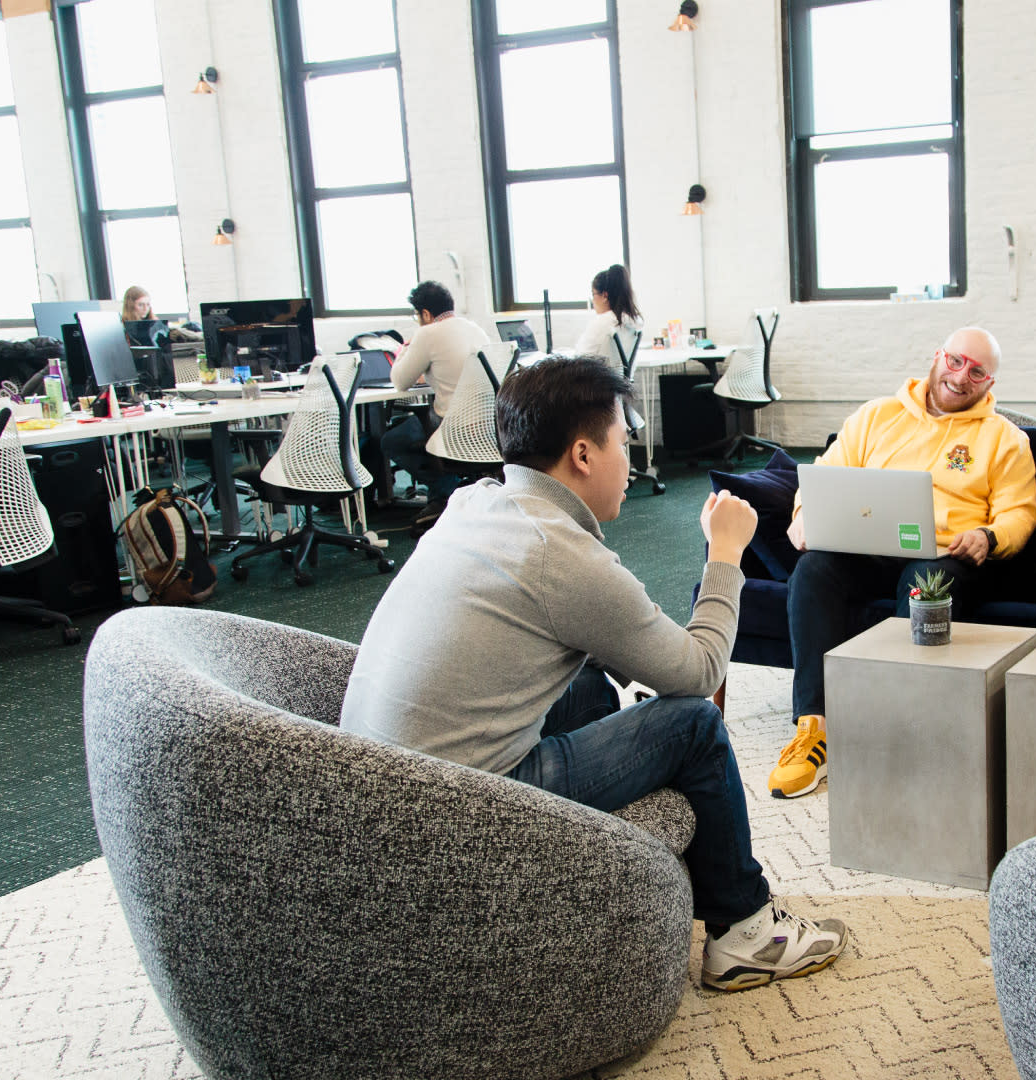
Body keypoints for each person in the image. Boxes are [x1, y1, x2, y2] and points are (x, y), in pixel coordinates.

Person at [340, 356, 848, 992]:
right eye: (625, 438)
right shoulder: (561, 556)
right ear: (583, 453)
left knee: (583, 686)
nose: (630, 459)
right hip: (457, 815)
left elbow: (580, 628)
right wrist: (725, 554)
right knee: (692, 726)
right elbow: (697, 673)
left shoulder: (472, 503)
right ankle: (745, 933)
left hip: (375, 793)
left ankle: (616, 870)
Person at [771, 327, 1036, 799]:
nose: (961, 377)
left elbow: (1021, 512)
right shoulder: (877, 415)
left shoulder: (1005, 440)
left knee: (926, 584)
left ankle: (895, 726)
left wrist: (989, 536)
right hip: (867, 545)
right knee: (812, 571)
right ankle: (815, 728)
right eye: (955, 361)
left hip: (943, 555)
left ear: (989, 384)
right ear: (937, 357)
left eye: (977, 371)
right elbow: (824, 475)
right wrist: (802, 515)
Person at [384, 280, 491, 524]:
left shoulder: (427, 333)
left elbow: (400, 381)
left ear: (425, 313)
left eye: (417, 316)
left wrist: (405, 349)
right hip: (487, 425)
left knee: (392, 439)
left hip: (453, 425)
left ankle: (444, 494)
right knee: (409, 425)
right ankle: (448, 493)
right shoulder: (475, 329)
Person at [573, 264, 642, 370]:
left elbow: (578, 359)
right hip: (621, 385)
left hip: (596, 384)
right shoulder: (634, 321)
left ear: (605, 296)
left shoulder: (602, 322)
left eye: (593, 294)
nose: (593, 301)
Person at [119, 285, 201, 346]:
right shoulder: (122, 327)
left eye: (148, 304)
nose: (145, 308)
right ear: (131, 305)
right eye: (140, 305)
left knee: (192, 326)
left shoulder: (154, 322)